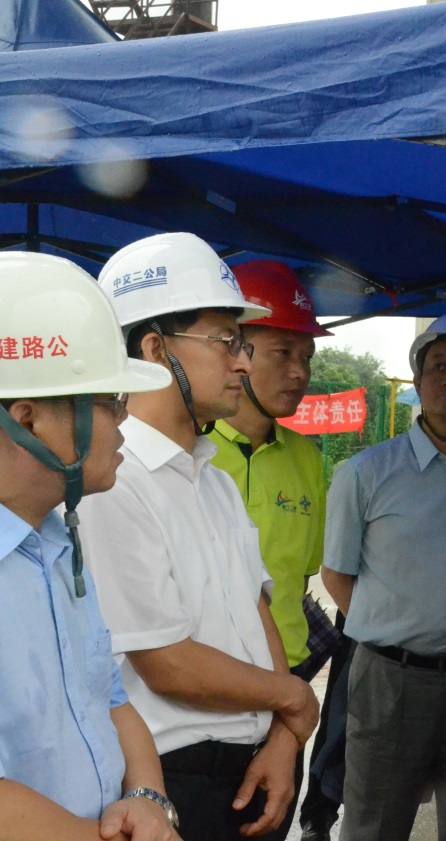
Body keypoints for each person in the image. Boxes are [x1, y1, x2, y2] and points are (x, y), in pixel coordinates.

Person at [77, 233, 320, 841]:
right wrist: (293, 697)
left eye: (242, 344)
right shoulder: (115, 482)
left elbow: (256, 607)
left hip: (253, 766)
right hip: (175, 780)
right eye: (226, 341)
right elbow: (168, 663)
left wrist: (283, 737)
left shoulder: (212, 480)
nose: (243, 363)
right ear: (155, 349)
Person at [0, 253, 180, 841]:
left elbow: (107, 696)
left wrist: (147, 797)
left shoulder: (57, 545)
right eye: (110, 401)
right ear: (28, 420)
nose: (125, 421)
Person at [322, 306, 446, 841]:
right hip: (390, 685)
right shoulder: (365, 474)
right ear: (418, 379)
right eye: (438, 366)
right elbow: (336, 577)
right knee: (375, 826)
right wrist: (393, 635)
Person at [204, 261, 332, 838]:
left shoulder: (306, 459)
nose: (300, 372)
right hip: (200, 704)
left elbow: (300, 578)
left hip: (284, 708)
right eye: (283, 353)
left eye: (307, 356)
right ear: (236, 350)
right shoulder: (192, 452)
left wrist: (289, 710)